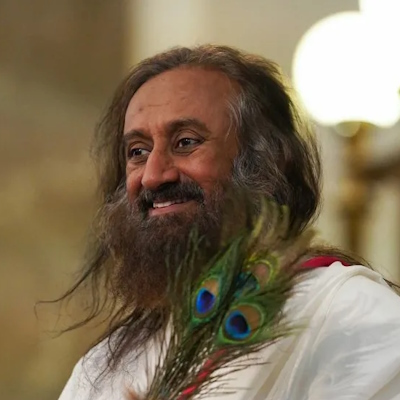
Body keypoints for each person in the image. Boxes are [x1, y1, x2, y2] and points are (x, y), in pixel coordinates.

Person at [57, 45, 400, 400]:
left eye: (186, 142)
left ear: (263, 164)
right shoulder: (104, 367)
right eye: (138, 152)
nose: (153, 175)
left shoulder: (347, 314)